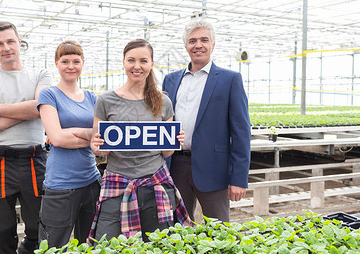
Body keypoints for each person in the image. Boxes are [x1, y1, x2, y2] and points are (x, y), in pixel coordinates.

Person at [88, 39, 191, 243]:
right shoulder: (106, 100)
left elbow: (166, 153)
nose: (137, 66)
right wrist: (97, 147)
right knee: (105, 244)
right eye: (131, 60)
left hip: (155, 184)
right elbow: (96, 144)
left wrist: (173, 141)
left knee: (159, 244)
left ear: (151, 64)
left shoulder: (163, 101)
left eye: (143, 60)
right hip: (117, 184)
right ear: (124, 63)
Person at [0, 21, 54, 254]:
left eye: (10, 41)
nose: (6, 47)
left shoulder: (41, 74)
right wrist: (34, 108)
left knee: (41, 230)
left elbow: (42, 108)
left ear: (19, 42)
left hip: (35, 159)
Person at [162, 18, 251, 223]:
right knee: (176, 229)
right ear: (186, 46)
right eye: (192, 40)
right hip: (176, 166)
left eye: (204, 39)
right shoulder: (171, 80)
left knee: (218, 231)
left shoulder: (230, 79)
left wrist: (239, 178)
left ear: (213, 44)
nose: (198, 45)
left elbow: (241, 133)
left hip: (214, 168)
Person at [37, 41, 101, 248]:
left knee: (90, 244)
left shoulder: (93, 98)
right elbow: (57, 139)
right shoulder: (49, 94)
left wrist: (71, 132)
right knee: (53, 246)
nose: (70, 66)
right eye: (65, 61)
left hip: (92, 182)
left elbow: (102, 136)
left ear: (83, 63)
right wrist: (89, 137)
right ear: (56, 64)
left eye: (76, 61)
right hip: (60, 186)